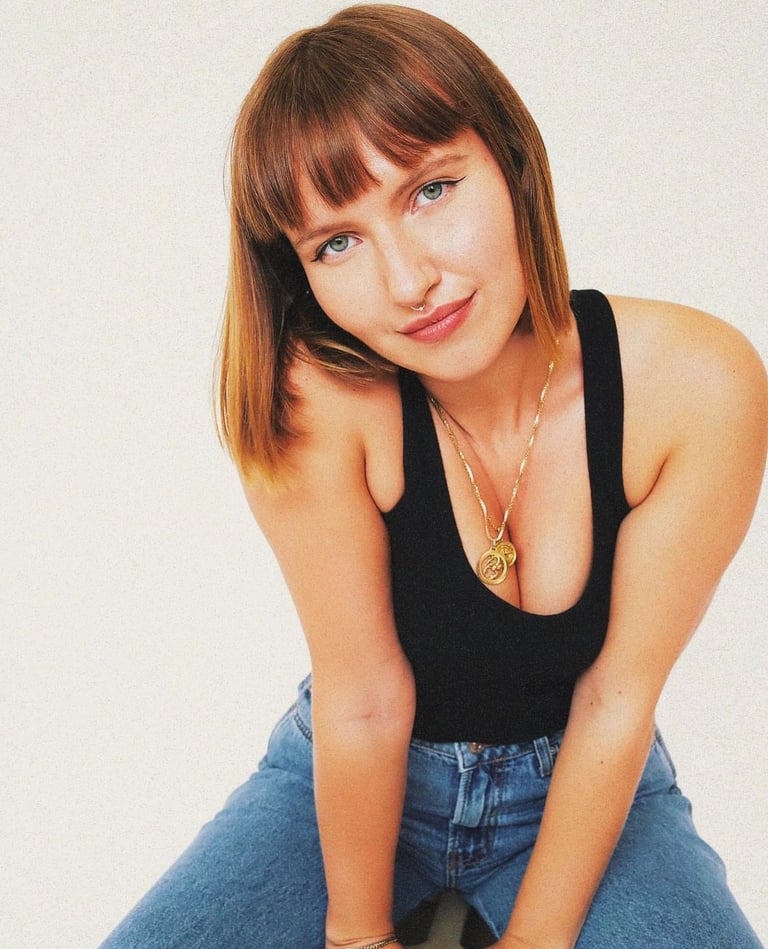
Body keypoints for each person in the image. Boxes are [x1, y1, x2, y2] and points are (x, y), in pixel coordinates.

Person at [101, 5, 767, 948]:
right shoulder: (319, 400)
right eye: (336, 243)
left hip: (585, 779)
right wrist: (359, 936)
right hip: (356, 772)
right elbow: (365, 698)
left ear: (512, 161)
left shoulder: (696, 385)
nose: (408, 281)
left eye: (431, 190)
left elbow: (616, 697)